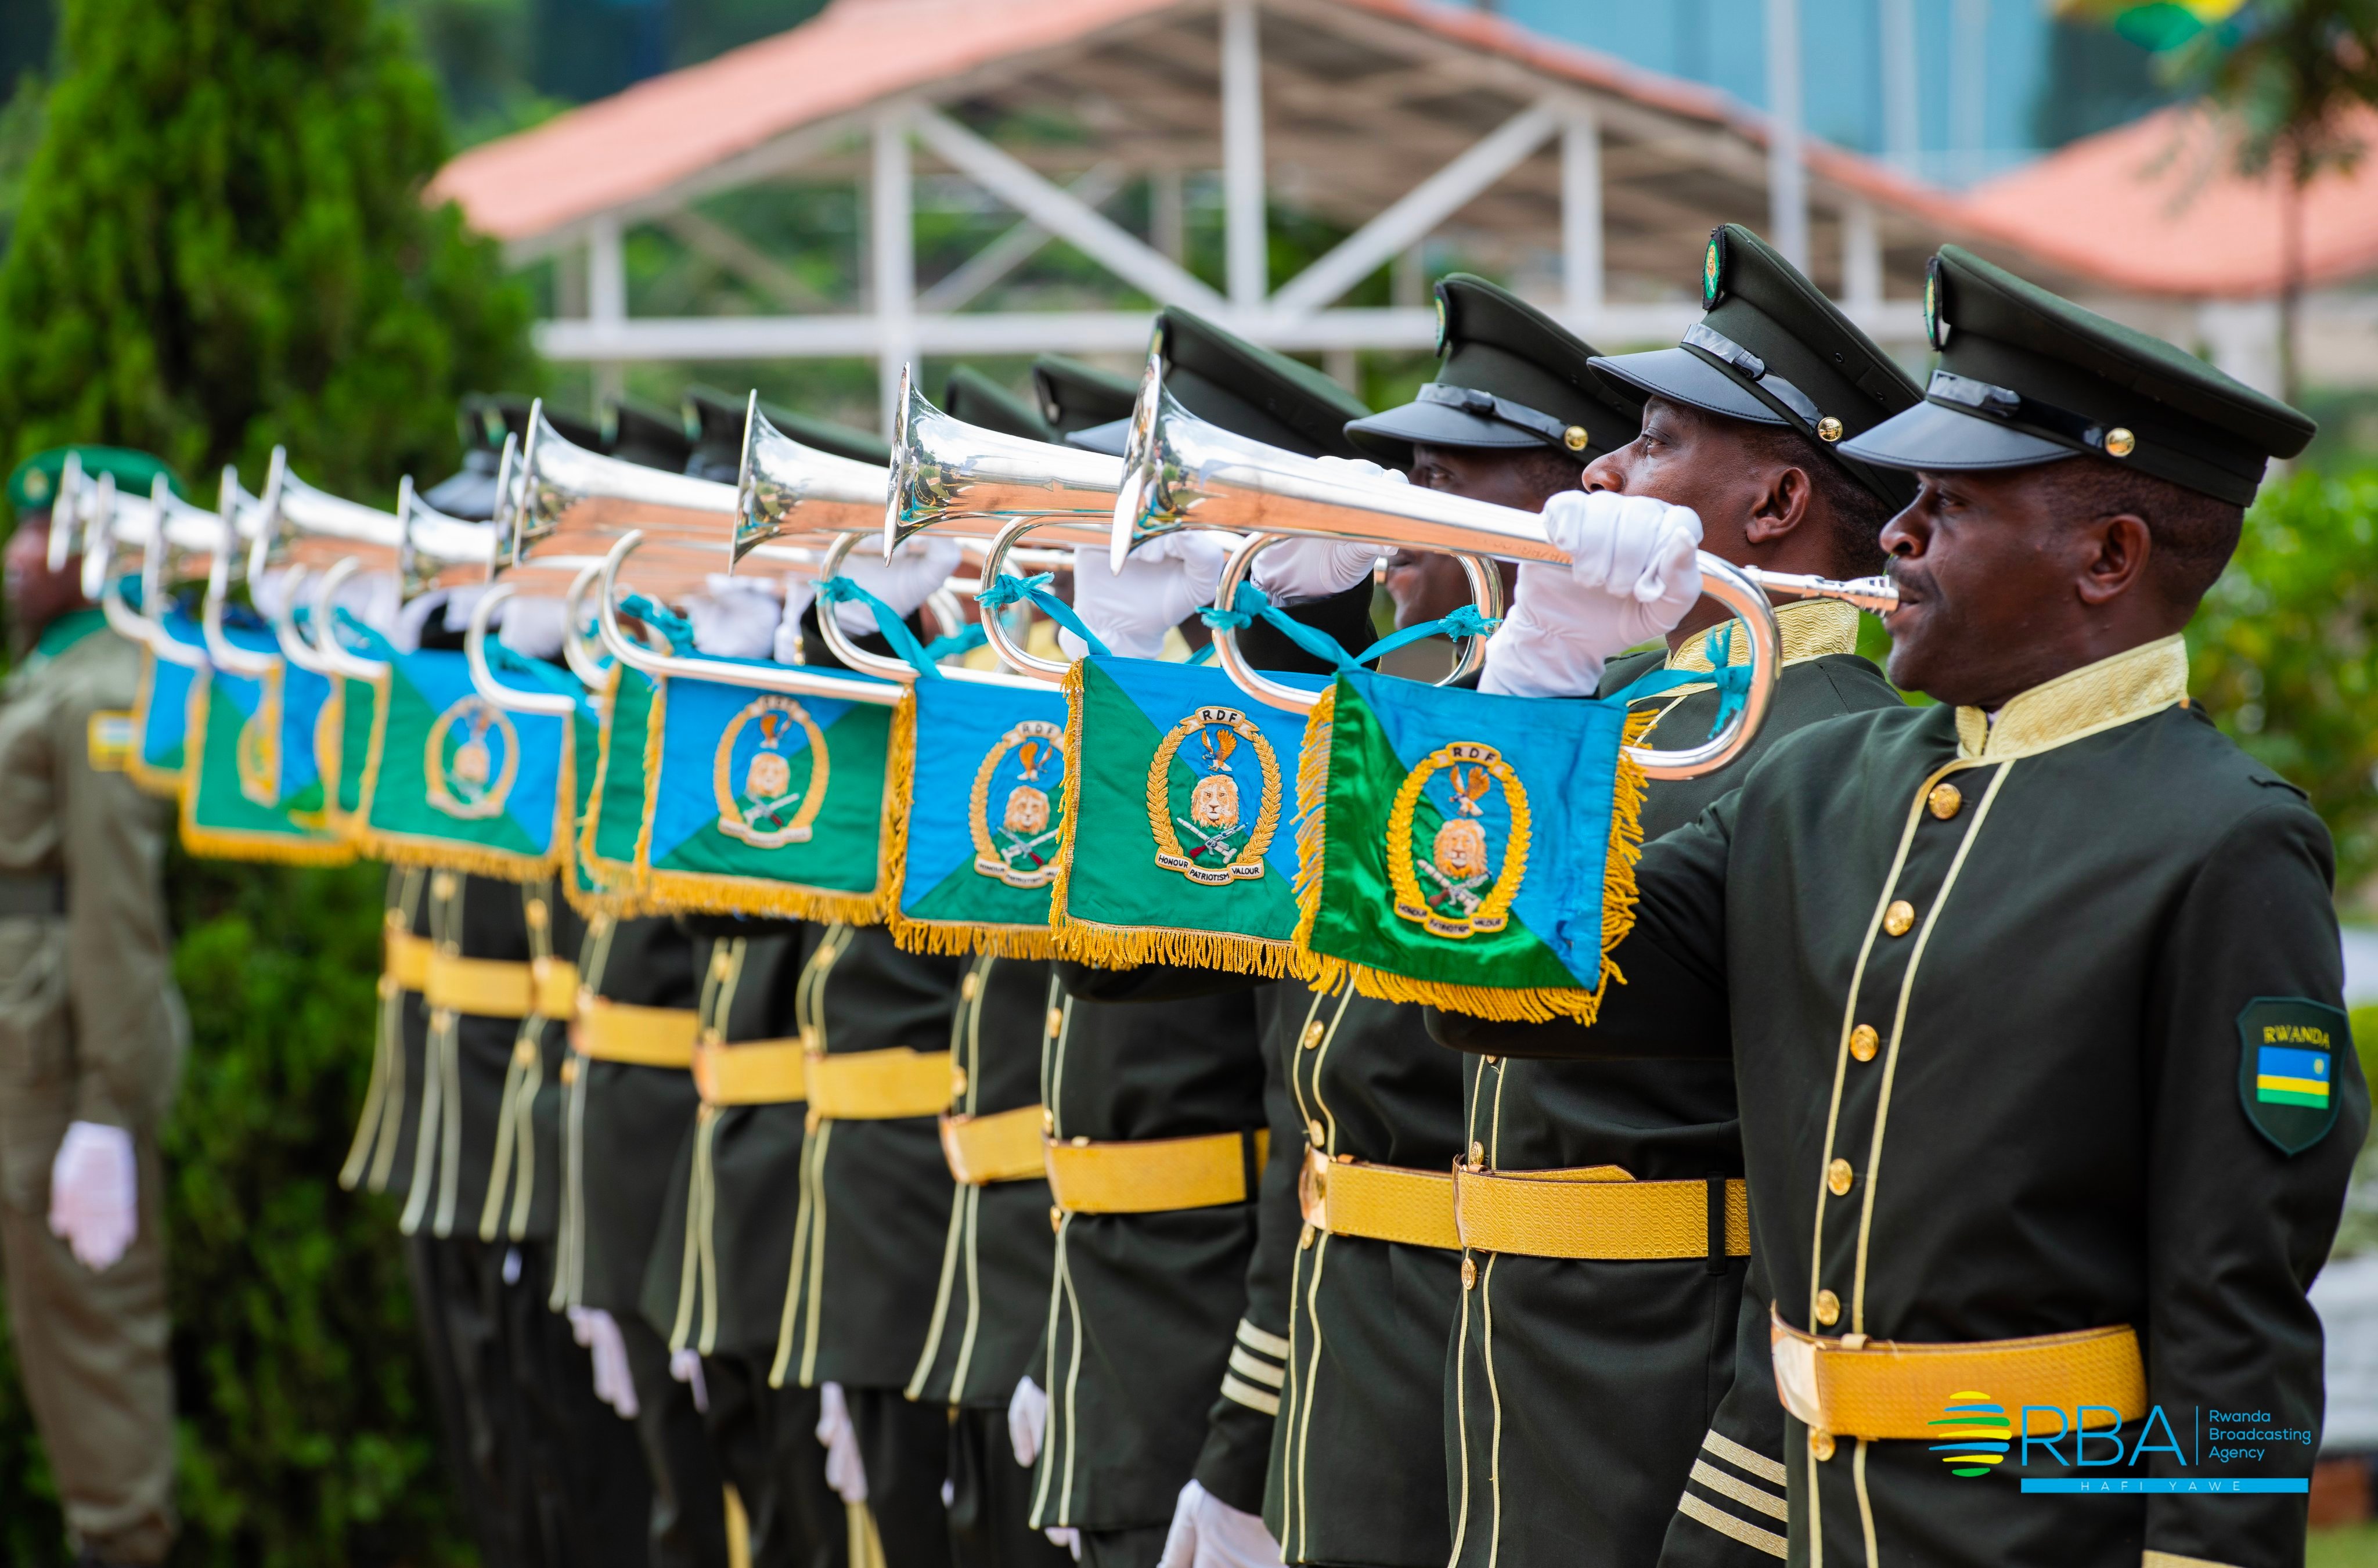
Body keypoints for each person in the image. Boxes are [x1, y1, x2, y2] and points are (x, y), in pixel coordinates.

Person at [1437, 243, 2361, 1567]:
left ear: (2108, 556)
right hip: (1780, 1517)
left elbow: (2237, 1317)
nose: (1895, 533)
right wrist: (1534, 674)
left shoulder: (2221, 839)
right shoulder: (1818, 783)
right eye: (1909, 497)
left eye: (1951, 504)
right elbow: (1495, 986)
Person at [1437, 230, 1920, 1568]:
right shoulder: (1643, 711)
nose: (1599, 471)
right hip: (1523, 1365)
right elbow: (1440, 962)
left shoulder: (1833, 743)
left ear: (1773, 505)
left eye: (1652, 444)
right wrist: (1535, 666)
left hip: (1663, 1385)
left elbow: (1829, 1168)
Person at [1027, 309, 1377, 1568]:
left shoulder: (1297, 723)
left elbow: (1303, 1128)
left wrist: (1245, 1434)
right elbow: (1096, 966)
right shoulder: (1201, 710)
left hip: (1212, 1337)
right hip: (1119, 1329)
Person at [0, 445, 187, 1568]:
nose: (18, 555)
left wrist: (109, 1110)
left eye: (47, 535)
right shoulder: (56, 673)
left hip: (58, 1071)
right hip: (25, 1060)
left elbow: (117, 913)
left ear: (114, 550)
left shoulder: (108, 686)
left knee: (89, 1344)